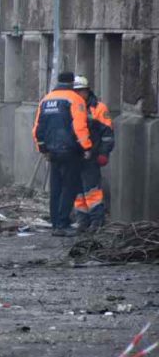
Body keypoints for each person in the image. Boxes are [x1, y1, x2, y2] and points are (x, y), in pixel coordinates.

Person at [32, 71, 92, 237]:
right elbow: (79, 127)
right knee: (69, 187)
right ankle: (63, 223)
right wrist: (86, 147)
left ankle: (55, 223)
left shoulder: (46, 99)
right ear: (72, 83)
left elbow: (37, 128)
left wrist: (42, 148)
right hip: (70, 150)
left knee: (56, 187)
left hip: (52, 151)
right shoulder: (75, 99)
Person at [72, 75, 114, 233]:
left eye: (80, 91)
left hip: (92, 155)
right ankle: (82, 220)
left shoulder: (99, 108)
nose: (78, 94)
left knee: (92, 190)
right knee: (77, 190)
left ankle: (97, 221)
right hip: (75, 155)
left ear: (87, 91)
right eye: (75, 91)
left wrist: (104, 153)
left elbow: (108, 134)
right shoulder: (71, 106)